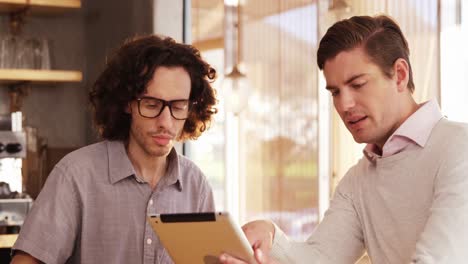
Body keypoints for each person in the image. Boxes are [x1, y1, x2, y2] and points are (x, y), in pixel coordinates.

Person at [220, 15, 468, 264]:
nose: (344, 105)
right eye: (335, 92)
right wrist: (271, 238)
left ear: (400, 75)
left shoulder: (459, 148)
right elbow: (322, 258)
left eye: (357, 84)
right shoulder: (358, 181)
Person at [11, 34, 218, 264]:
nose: (166, 123)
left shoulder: (195, 185)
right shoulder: (76, 175)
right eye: (152, 105)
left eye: (179, 107)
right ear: (127, 103)